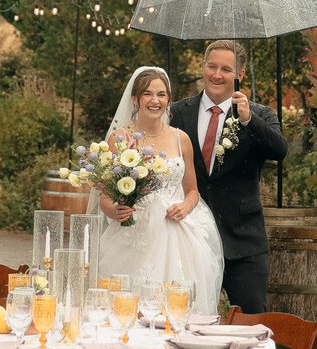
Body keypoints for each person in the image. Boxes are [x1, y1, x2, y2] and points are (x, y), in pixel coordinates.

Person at [94, 65, 224, 316]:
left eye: (161, 95)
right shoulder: (119, 139)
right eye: (148, 94)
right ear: (135, 99)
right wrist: (116, 210)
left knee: (175, 311)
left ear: (168, 100)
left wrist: (186, 206)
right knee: (127, 309)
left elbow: (192, 191)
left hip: (176, 236)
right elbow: (105, 198)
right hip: (132, 238)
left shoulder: (181, 139)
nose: (155, 101)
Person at [170, 39, 288, 313]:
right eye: (212, 66)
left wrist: (248, 120)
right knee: (186, 323)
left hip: (244, 244)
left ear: (239, 75)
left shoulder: (259, 115)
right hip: (189, 239)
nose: (216, 75)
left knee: (249, 326)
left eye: (226, 69)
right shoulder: (177, 112)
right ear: (203, 66)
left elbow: (279, 151)